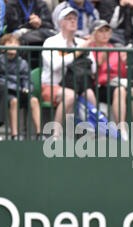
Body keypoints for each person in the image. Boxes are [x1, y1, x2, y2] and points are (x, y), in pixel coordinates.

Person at [41, 7, 97, 137]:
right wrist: (77, 53)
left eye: (75, 18)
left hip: (77, 84)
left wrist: (89, 48)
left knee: (90, 94)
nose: (73, 21)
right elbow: (54, 66)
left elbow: (93, 68)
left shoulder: (82, 42)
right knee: (70, 95)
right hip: (52, 84)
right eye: (68, 18)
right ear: (60, 23)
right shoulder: (51, 42)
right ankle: (55, 134)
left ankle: (91, 131)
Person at [0, 34, 43, 140]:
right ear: (3, 47)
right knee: (14, 101)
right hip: (7, 92)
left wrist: (27, 88)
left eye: (15, 43)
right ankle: (15, 134)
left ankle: (39, 133)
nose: (13, 45)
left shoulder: (22, 63)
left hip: (21, 91)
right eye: (10, 43)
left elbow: (27, 79)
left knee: (34, 100)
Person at [90, 19, 129, 139]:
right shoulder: (89, 49)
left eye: (107, 31)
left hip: (116, 84)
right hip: (97, 86)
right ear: (94, 34)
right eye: (101, 31)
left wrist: (124, 62)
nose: (104, 34)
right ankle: (120, 130)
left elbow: (122, 74)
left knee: (130, 92)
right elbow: (91, 74)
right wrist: (100, 62)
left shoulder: (115, 49)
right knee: (120, 90)